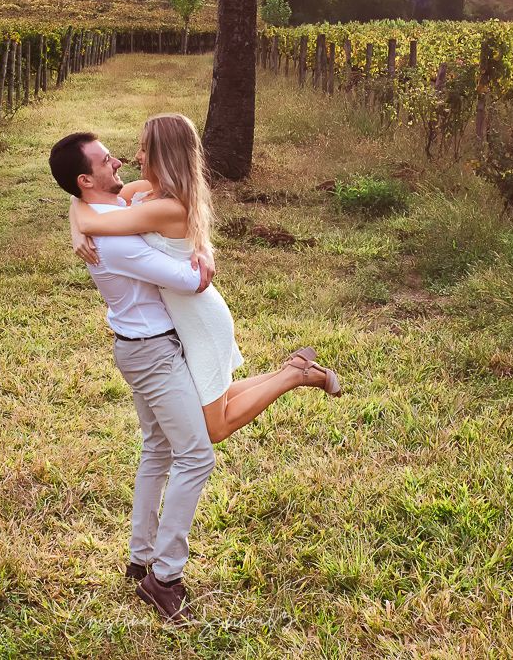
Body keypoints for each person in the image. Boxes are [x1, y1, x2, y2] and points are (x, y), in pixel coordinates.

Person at [68, 112, 341, 449]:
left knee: (214, 427)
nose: (135, 158)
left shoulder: (167, 207)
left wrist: (78, 221)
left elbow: (95, 219)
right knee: (212, 400)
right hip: (182, 315)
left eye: (143, 149)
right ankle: (299, 368)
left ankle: (293, 376)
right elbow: (91, 197)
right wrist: (75, 210)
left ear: (161, 155)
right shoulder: (143, 193)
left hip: (198, 317)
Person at [49, 130, 216, 624]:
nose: (117, 160)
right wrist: (201, 259)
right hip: (152, 352)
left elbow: (110, 201)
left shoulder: (101, 213)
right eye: (105, 160)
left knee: (158, 450)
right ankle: (164, 577)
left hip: (140, 346)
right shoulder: (113, 240)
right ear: (86, 179)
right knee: (196, 456)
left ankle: (140, 555)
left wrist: (75, 218)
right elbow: (191, 280)